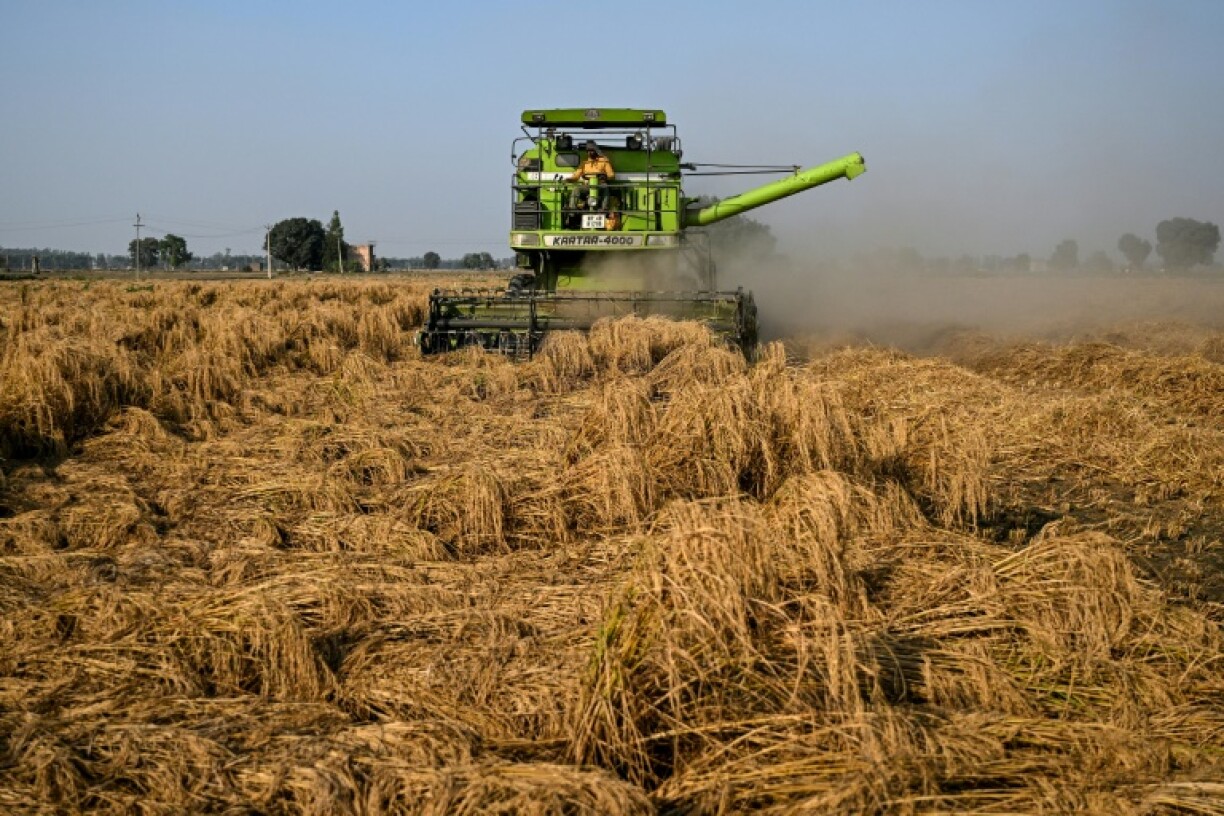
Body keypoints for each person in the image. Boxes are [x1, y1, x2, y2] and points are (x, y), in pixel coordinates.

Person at [566, 141, 614, 212]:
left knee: (605, 187)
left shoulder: (604, 162)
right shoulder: (584, 163)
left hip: (600, 184)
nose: (590, 153)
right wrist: (569, 180)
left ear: (596, 151)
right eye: (588, 151)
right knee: (576, 189)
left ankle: (604, 208)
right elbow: (576, 175)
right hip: (588, 185)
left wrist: (605, 177)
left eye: (592, 150)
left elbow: (611, 175)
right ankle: (572, 209)